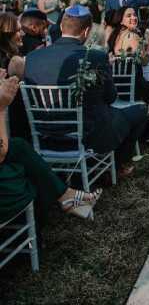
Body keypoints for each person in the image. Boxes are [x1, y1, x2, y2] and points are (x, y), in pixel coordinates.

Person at [24, 6, 148, 176]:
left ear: (61, 27)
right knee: (140, 110)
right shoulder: (96, 57)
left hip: (46, 134)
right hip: (88, 135)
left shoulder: (32, 58)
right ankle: (120, 164)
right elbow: (111, 97)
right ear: (87, 31)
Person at [0, 70, 102, 224]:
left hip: (45, 135)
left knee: (19, 146)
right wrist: (1, 107)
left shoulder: (33, 59)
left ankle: (66, 196)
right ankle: (63, 199)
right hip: (65, 134)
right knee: (30, 180)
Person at [107, 7, 149, 109]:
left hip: (117, 88)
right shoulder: (133, 36)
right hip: (134, 87)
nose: (134, 17)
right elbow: (144, 62)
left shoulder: (115, 35)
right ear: (121, 20)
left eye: (134, 15)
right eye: (129, 16)